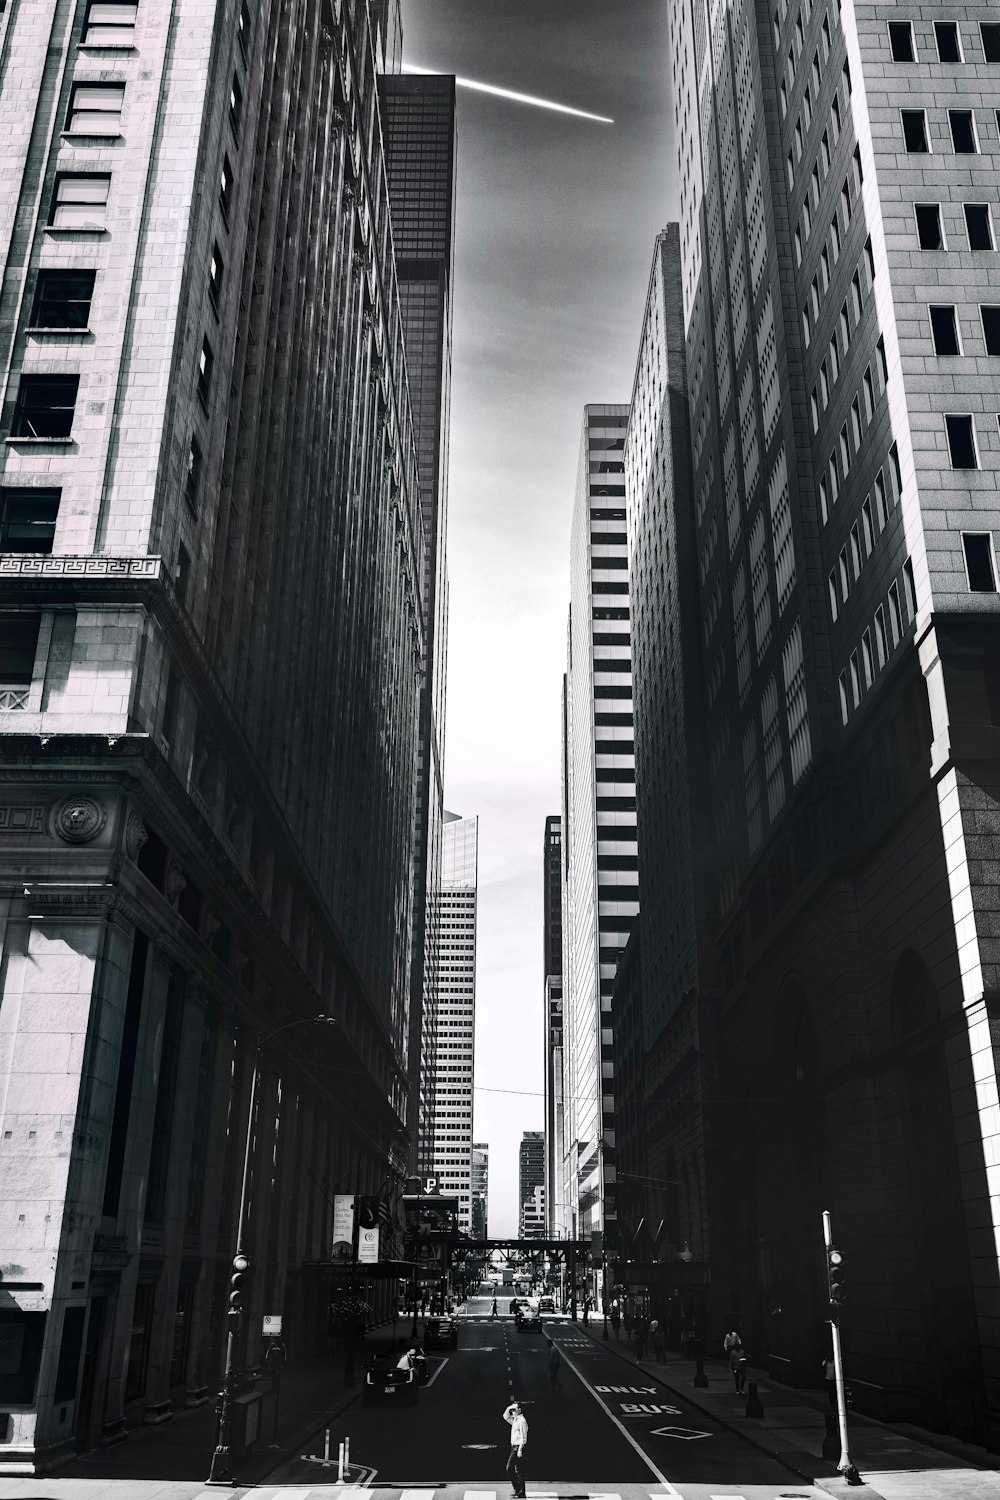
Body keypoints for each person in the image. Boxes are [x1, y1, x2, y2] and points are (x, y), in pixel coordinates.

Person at [502, 1399, 528, 1498]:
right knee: (519, 1470)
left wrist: (520, 1449)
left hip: (518, 1447)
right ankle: (520, 1491)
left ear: (520, 1410)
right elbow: (505, 1416)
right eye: (512, 1410)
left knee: (509, 1468)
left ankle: (519, 1489)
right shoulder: (515, 1419)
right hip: (514, 1446)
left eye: (515, 1409)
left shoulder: (522, 1421)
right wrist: (509, 1408)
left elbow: (523, 1436)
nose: (513, 1411)